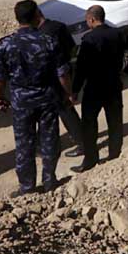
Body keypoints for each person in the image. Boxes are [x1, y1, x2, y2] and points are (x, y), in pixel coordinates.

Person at [0, 0, 71, 195]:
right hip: (47, 98)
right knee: (49, 139)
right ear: (37, 15)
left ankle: (27, 187)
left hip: (21, 101)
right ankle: (49, 181)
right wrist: (69, 93)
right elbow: (62, 73)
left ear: (17, 18)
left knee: (24, 143)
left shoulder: (5, 44)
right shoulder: (49, 41)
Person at [72, 5, 128, 172]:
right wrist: (127, 70)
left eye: (87, 20)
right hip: (113, 85)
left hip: (94, 87)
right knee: (115, 122)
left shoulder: (89, 39)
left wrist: (75, 90)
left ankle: (90, 160)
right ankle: (114, 155)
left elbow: (81, 68)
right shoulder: (118, 33)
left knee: (89, 124)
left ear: (92, 19)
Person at [35, 10, 84, 158]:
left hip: (53, 78)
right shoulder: (59, 26)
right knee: (58, 110)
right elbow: (72, 48)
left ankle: (83, 143)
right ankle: (40, 144)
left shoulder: (39, 35)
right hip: (65, 72)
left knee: (63, 110)